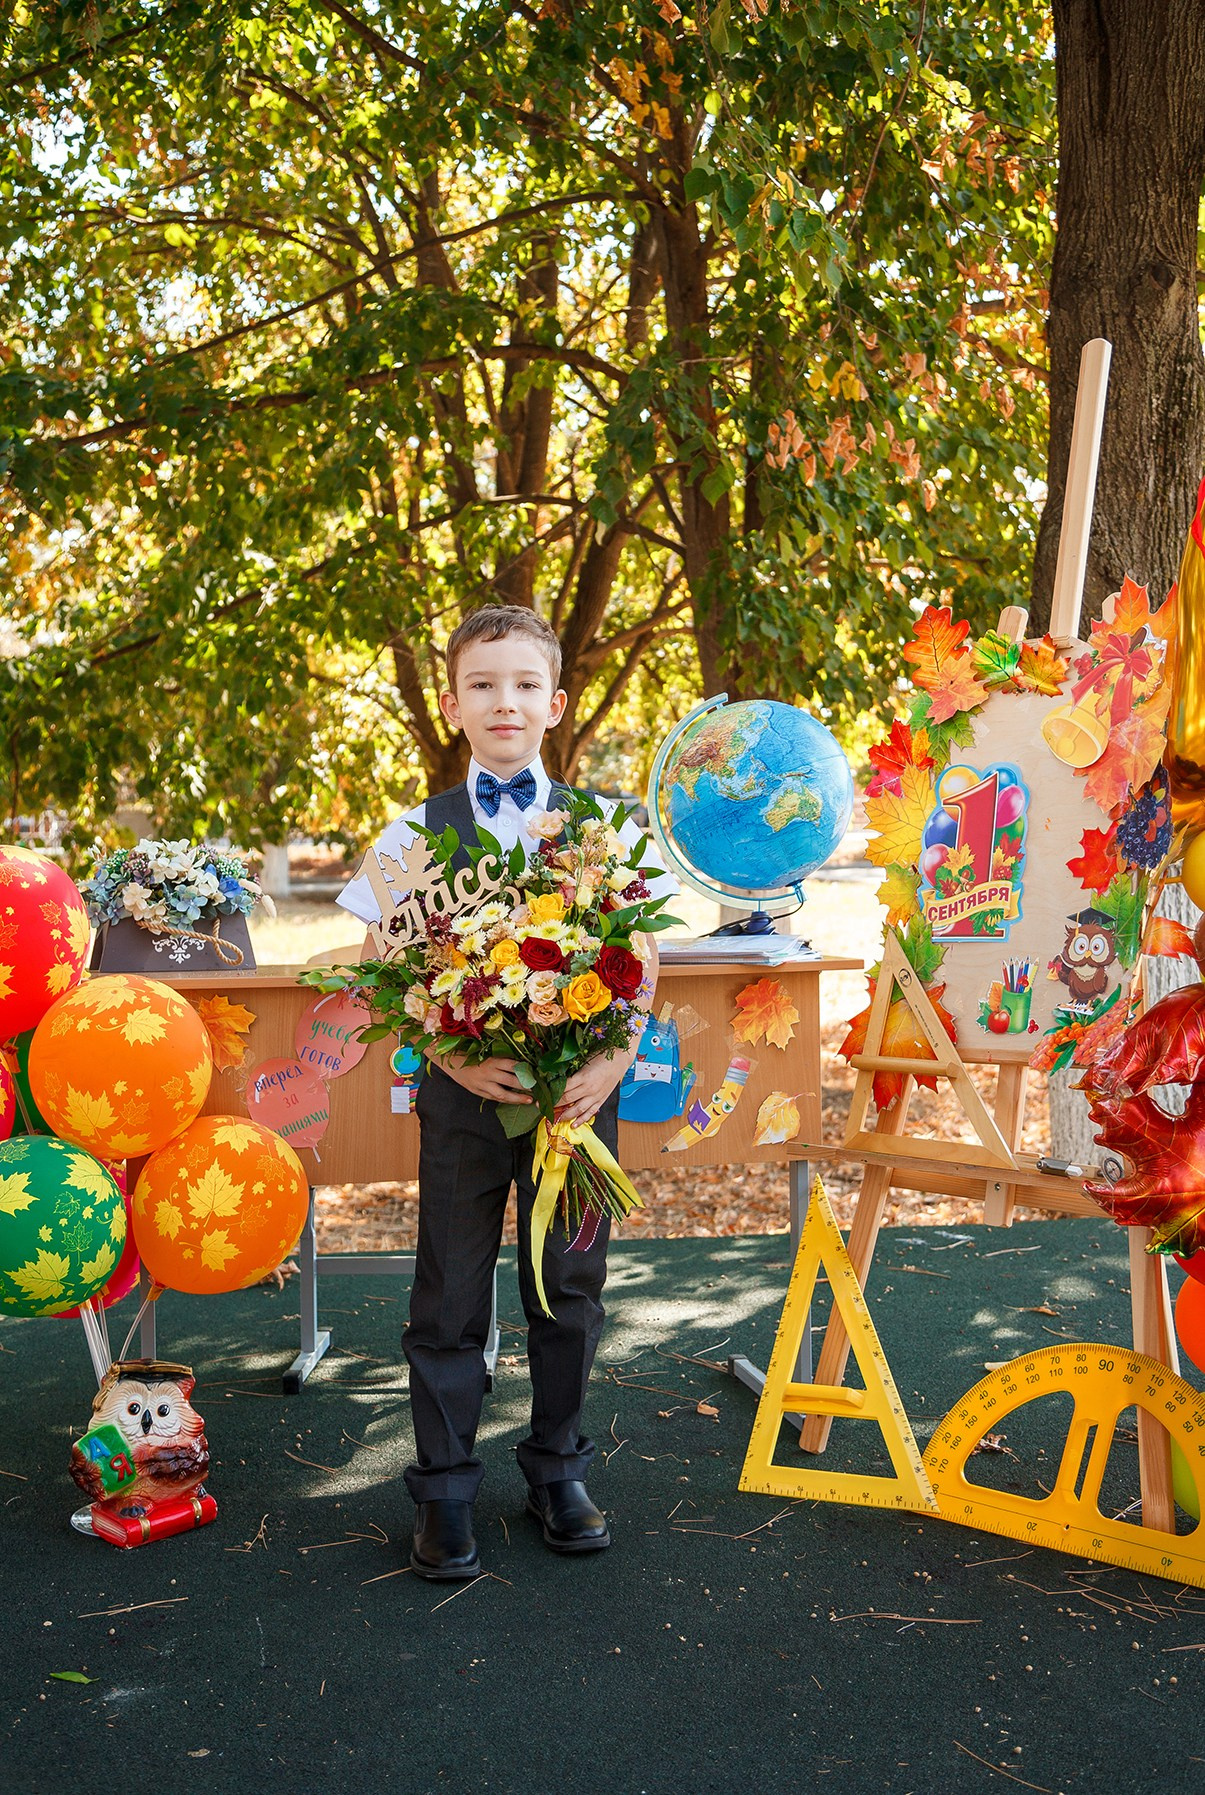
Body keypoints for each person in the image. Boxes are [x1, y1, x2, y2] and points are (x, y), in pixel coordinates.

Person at [337, 605, 675, 1581]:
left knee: (567, 1286)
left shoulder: (602, 827)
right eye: (482, 684)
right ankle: (444, 1489)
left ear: (555, 704)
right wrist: (448, 1061)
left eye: (525, 684)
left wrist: (612, 1063)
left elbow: (643, 956)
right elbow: (378, 968)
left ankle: (557, 1470)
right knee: (448, 1292)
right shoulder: (413, 836)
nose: (504, 702)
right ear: (452, 704)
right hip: (464, 1101)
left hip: (575, 1103)